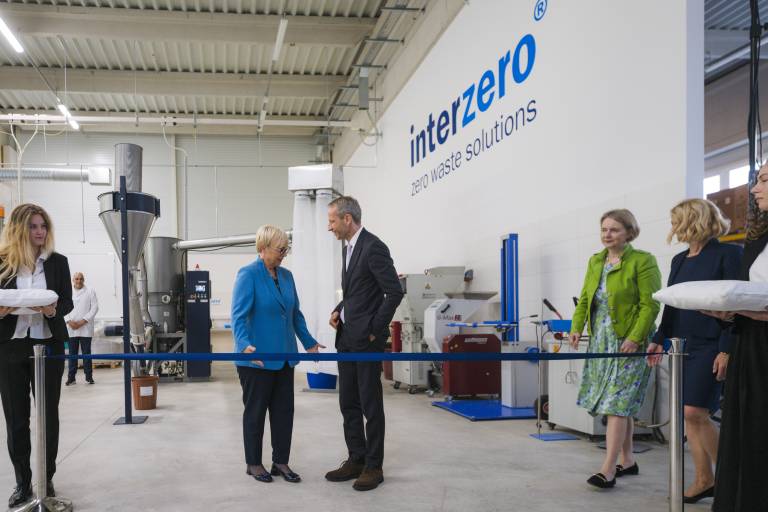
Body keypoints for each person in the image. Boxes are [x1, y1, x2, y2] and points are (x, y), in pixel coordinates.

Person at [645, 199, 741, 504]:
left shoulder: (729, 254)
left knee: (694, 412)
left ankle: (734, 480)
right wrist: (659, 337)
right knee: (688, 415)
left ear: (693, 221)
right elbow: (672, 303)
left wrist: (726, 349)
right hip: (681, 344)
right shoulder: (679, 260)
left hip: (712, 343)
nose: (673, 227)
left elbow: (736, 305)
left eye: (677, 221)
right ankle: (704, 479)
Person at [568, 208, 661, 489]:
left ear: (629, 232)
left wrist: (635, 337)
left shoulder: (643, 261)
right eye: (604, 229)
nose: (607, 235)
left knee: (616, 404)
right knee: (621, 405)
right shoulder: (596, 261)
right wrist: (576, 327)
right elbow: (586, 299)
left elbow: (650, 305)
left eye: (614, 230)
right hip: (601, 341)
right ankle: (628, 460)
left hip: (629, 341)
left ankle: (608, 469)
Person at [231, 225, 323, 484]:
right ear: (262, 248)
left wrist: (309, 342)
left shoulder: (287, 276)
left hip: (284, 357)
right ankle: (253, 463)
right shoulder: (248, 274)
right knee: (256, 413)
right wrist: (244, 345)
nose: (284, 254)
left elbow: (295, 314)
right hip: (256, 358)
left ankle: (280, 462)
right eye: (279, 249)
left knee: (284, 413)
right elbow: (238, 316)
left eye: (286, 249)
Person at [324, 196, 403, 492]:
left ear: (347, 219)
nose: (329, 227)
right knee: (348, 402)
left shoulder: (373, 247)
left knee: (370, 403)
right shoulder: (349, 249)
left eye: (332, 220)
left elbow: (394, 292)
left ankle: (374, 465)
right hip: (347, 338)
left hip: (366, 341)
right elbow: (356, 293)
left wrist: (374, 330)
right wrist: (339, 309)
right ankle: (356, 458)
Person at [0, 203, 72, 507]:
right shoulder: (2, 262)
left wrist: (52, 310)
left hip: (49, 345)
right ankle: (22, 482)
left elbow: (66, 302)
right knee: (16, 418)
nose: (40, 232)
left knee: (48, 416)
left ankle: (46, 478)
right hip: (11, 346)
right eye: (33, 226)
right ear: (19, 229)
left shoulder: (58, 262)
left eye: (43, 226)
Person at [706, 163, 768, 511]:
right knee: (749, 434)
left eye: (764, 180)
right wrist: (729, 314)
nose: (755, 189)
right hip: (751, 346)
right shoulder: (758, 239)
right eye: (756, 180)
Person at [64, 272, 99, 385]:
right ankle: (71, 378)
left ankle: (89, 377)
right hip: (71, 327)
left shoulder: (90, 291)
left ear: (84, 280)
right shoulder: (67, 291)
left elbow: (94, 308)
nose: (79, 281)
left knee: (86, 353)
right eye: (77, 279)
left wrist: (82, 321)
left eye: (81, 279)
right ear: (73, 280)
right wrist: (69, 321)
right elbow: (63, 307)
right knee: (72, 354)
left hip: (86, 327)